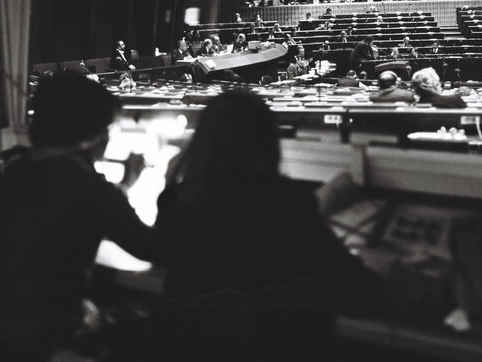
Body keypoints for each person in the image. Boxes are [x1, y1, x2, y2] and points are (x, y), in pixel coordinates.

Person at [0, 75, 159, 359]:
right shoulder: (90, 188)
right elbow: (151, 247)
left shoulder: (19, 170)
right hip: (42, 339)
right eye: (109, 127)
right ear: (93, 135)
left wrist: (126, 184)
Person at [155, 90, 377, 297]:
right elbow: (361, 285)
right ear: (266, 144)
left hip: (190, 337)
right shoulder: (287, 206)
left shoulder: (174, 203)